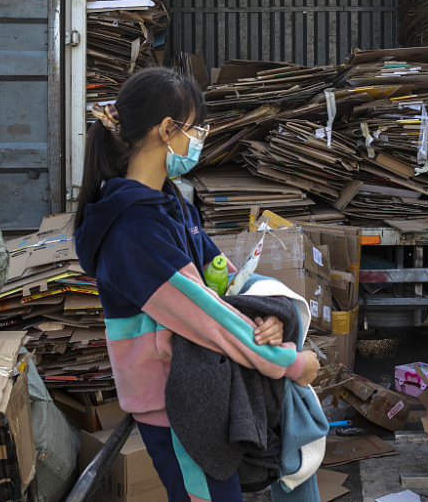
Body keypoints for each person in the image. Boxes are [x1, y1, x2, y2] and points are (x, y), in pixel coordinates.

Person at [74, 67, 320, 502]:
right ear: (167, 130)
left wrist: (269, 317)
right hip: (175, 403)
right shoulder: (133, 228)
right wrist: (288, 362)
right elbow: (204, 314)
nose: (200, 139)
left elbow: (226, 281)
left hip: (200, 387)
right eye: (197, 127)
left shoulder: (171, 203)